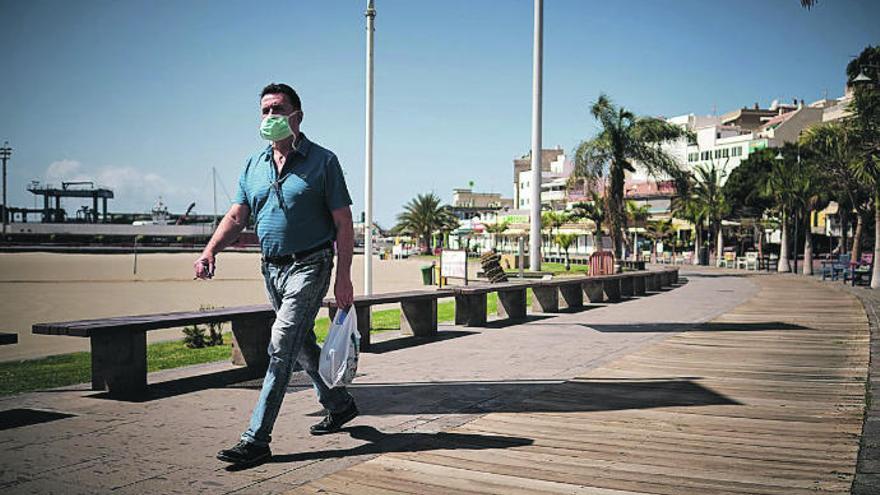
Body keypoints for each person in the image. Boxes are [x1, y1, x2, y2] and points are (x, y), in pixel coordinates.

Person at [194, 83, 358, 466]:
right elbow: (237, 216)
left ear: (297, 114)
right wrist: (210, 250)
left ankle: (256, 439)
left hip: (311, 264)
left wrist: (344, 276)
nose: (269, 117)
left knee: (280, 345)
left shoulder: (323, 162)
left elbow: (344, 222)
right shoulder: (253, 164)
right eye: (264, 110)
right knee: (300, 344)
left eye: (277, 109)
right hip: (271, 268)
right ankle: (339, 403)